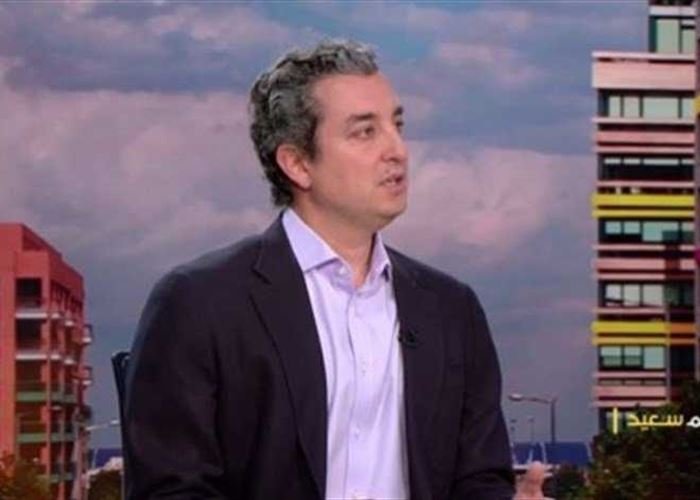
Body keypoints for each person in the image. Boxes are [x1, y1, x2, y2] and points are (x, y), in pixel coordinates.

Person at [124, 39, 515, 500]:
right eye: (365, 132)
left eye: (397, 125)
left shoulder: (452, 310)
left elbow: (481, 480)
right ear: (297, 163)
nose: (397, 150)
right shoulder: (199, 303)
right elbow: (171, 490)